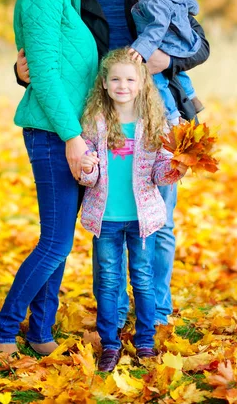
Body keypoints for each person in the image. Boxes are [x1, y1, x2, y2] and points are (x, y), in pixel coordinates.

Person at [15, 0, 210, 329]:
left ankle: (153, 314)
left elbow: (200, 45)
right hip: (101, 116)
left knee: (158, 219)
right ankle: (113, 315)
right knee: (107, 214)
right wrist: (19, 71)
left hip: (155, 110)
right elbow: (54, 56)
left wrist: (167, 61)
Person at [0, 0, 100, 355]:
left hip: (69, 131)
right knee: (55, 241)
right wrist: (73, 138)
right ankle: (3, 330)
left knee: (60, 241)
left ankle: (40, 332)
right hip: (53, 133)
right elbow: (46, 76)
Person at [79, 49, 187, 371]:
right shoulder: (94, 123)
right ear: (104, 84)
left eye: (129, 79)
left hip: (142, 221)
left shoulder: (152, 124)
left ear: (141, 83)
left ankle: (144, 341)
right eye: (115, 79)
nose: (122, 85)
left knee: (142, 279)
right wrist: (86, 167)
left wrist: (175, 170)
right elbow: (90, 175)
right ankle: (110, 344)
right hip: (107, 219)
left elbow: (158, 174)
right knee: (108, 282)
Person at [130, 0, 204, 125]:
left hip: (166, 43)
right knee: (177, 72)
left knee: (157, 78)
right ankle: (192, 96)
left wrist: (141, 48)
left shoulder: (156, 0)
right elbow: (192, 5)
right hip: (183, 41)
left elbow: (157, 27)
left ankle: (172, 116)